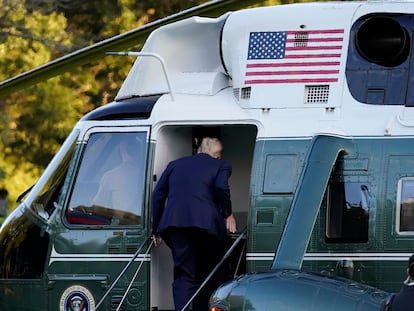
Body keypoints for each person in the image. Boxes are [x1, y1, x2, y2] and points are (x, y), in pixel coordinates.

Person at [151, 137, 236, 311]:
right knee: (215, 271)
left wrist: (156, 229)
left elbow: (158, 195)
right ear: (218, 156)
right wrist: (228, 214)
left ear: (198, 150)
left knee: (184, 275)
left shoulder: (174, 164)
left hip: (175, 226)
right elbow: (221, 187)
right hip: (208, 227)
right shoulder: (222, 165)